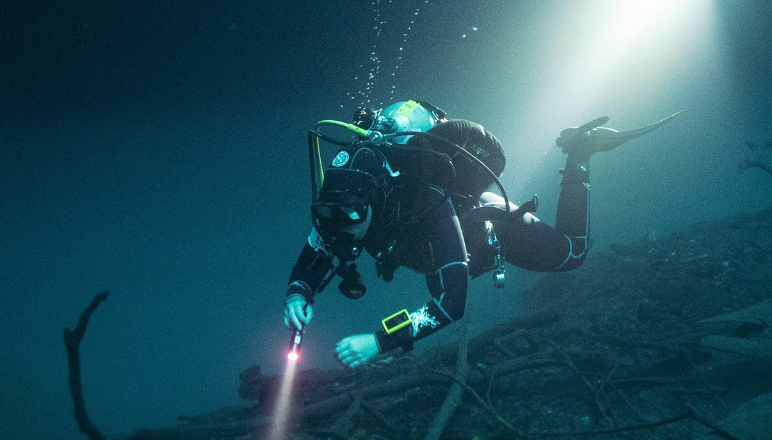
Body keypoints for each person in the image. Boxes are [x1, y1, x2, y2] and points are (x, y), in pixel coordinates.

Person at [281, 100, 672, 367]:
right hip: (430, 254)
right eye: (331, 215)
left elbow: (453, 304)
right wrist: (300, 291)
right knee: (433, 284)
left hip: (491, 227)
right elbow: (319, 248)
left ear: (375, 199)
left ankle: (580, 154)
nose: (341, 229)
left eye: (350, 216)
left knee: (572, 255)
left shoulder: (431, 202)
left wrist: (378, 341)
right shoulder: (347, 206)